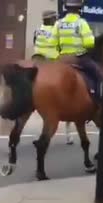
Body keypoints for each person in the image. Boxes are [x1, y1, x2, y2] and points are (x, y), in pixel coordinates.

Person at [34, 10, 74, 144]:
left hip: (36, 60)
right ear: (51, 19)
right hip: (52, 62)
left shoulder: (37, 30)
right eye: (55, 18)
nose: (56, 20)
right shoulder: (57, 31)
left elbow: (35, 44)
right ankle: (69, 133)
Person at [52, 0, 103, 97]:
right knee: (99, 76)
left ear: (66, 9)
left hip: (62, 59)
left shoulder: (58, 24)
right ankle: (97, 99)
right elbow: (88, 43)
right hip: (79, 58)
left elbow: (53, 42)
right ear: (79, 9)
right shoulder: (81, 23)